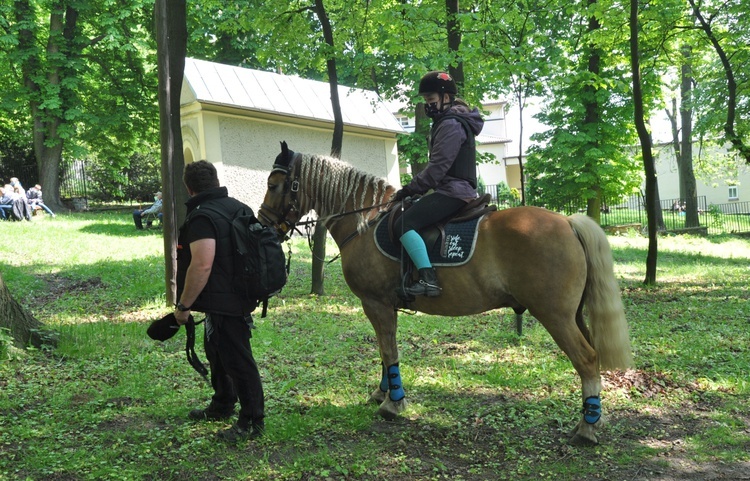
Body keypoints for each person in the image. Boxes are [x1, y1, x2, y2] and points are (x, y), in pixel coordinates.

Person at [173, 160, 265, 442]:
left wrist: (184, 306)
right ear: (215, 180)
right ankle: (223, 403)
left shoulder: (202, 217)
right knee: (216, 350)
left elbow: (202, 265)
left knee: (238, 359)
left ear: (189, 188)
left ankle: (252, 420)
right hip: (240, 293)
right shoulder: (239, 207)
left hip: (226, 301)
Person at [392, 71, 484, 297]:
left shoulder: (451, 124)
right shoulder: (449, 122)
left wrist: (409, 189)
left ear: (446, 98)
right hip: (451, 189)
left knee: (404, 224)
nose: (428, 106)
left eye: (431, 101)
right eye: (425, 101)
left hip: (453, 192)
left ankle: (429, 280)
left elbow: (437, 168)